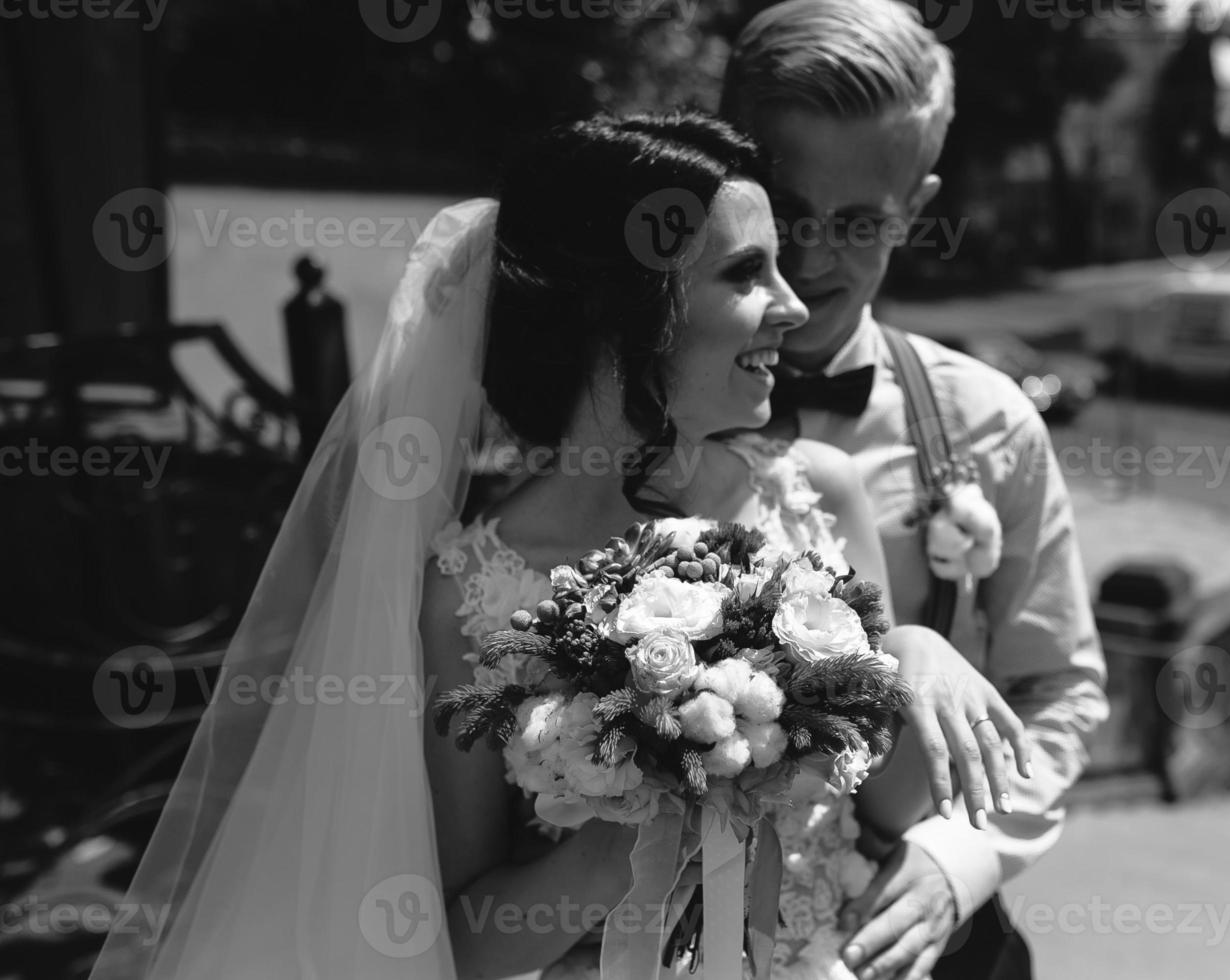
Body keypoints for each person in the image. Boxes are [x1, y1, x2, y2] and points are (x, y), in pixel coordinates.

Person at [87, 111, 1027, 980]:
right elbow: (453, 939)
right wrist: (613, 852)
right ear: (625, 308)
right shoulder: (470, 591)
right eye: (746, 273)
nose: (791, 305)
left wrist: (912, 657)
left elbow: (885, 812)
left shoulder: (821, 489)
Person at [720, 2, 1111, 978]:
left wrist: (960, 858)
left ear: (919, 206)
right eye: (786, 207)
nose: (809, 260)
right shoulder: (627, 414)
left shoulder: (988, 423)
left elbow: (1057, 686)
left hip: (915, 946)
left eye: (858, 223)